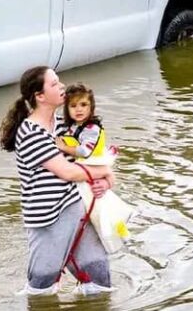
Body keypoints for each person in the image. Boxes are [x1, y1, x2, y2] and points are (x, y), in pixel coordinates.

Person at [0, 66, 115, 295]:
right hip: (48, 219)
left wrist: (108, 179)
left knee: (100, 280)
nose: (62, 86)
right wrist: (103, 171)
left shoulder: (65, 126)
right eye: (54, 84)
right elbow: (67, 172)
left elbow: (97, 158)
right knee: (41, 289)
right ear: (40, 96)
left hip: (77, 210)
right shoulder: (30, 133)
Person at [56, 83, 134, 253]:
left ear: (91, 107)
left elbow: (84, 151)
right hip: (86, 170)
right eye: (73, 105)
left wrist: (63, 147)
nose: (79, 109)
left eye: (83, 104)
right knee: (98, 206)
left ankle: (114, 237)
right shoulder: (71, 127)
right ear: (66, 109)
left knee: (101, 209)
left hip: (91, 167)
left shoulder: (92, 128)